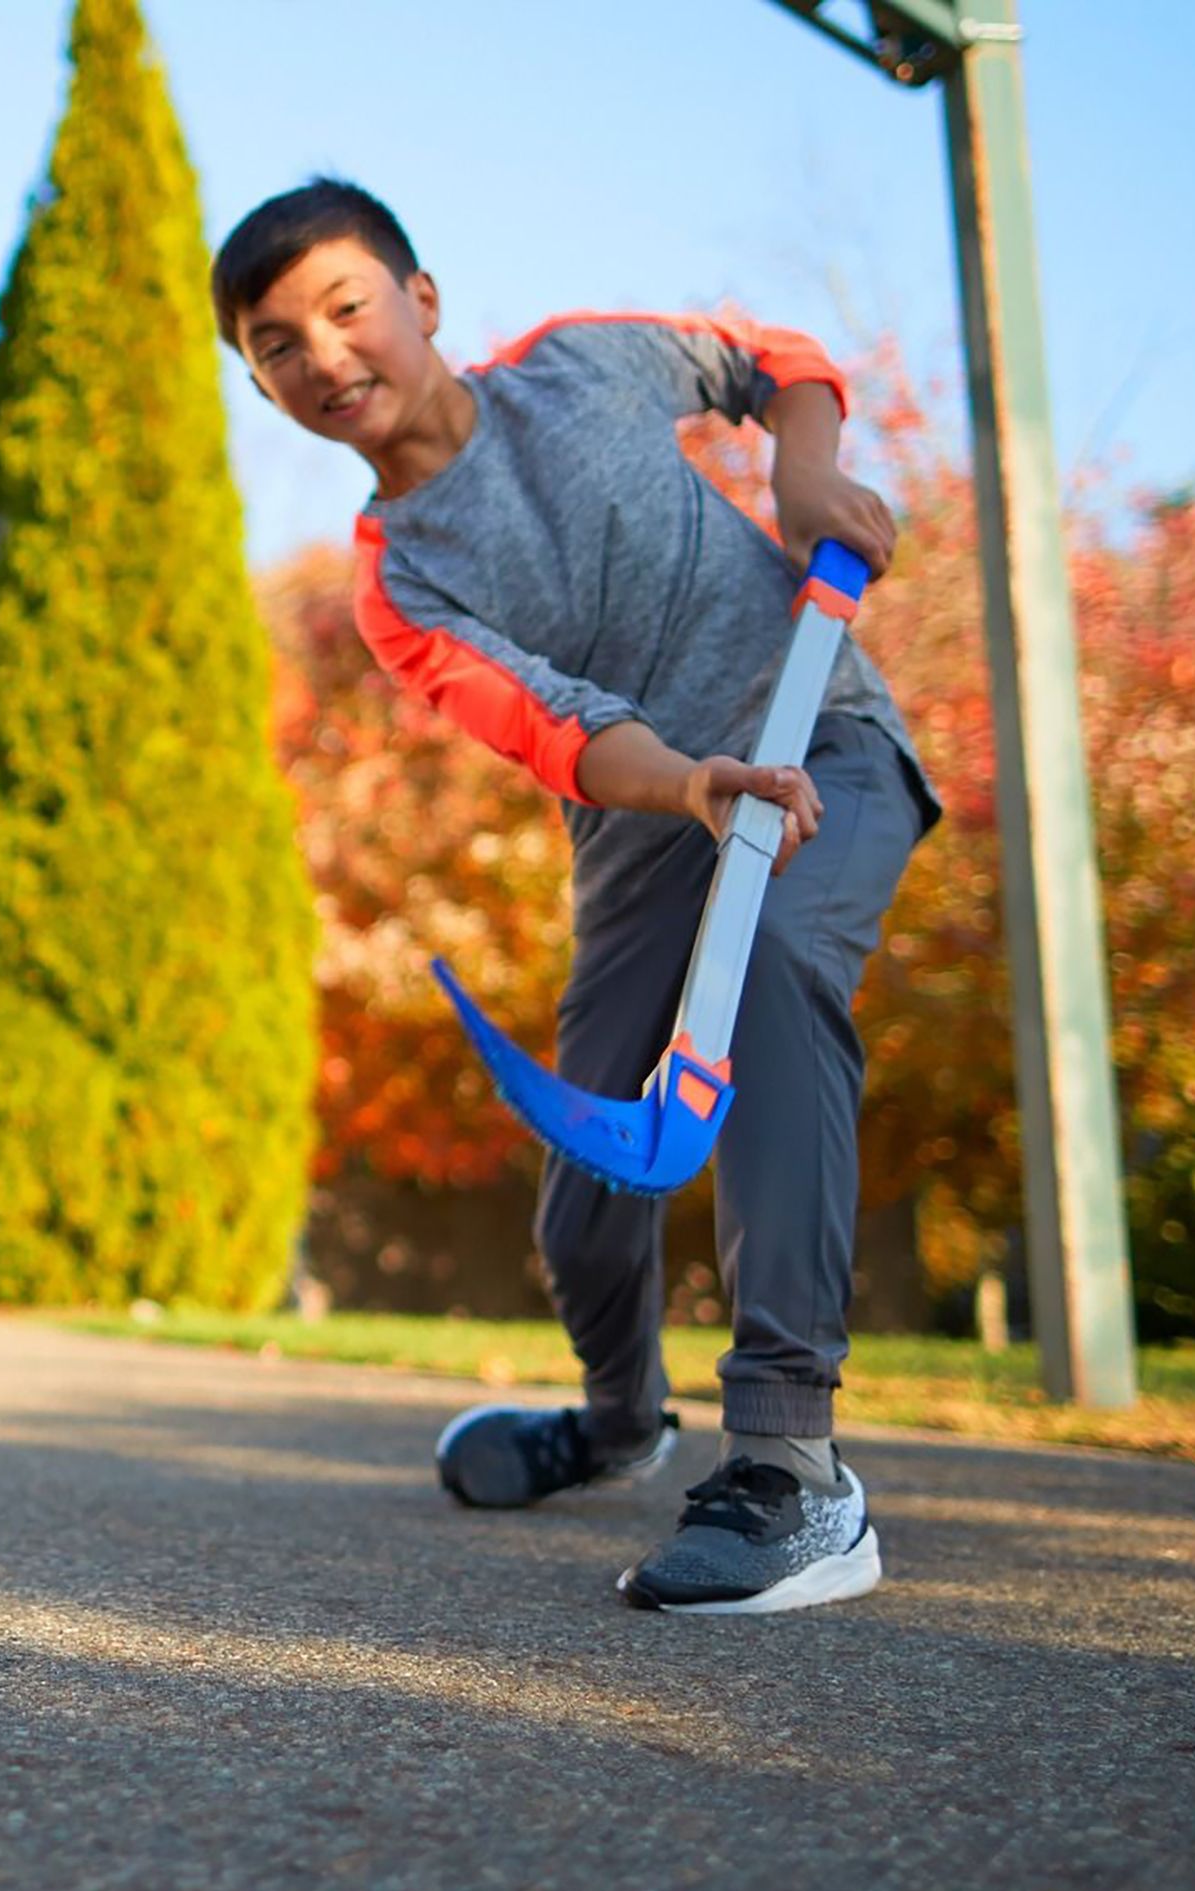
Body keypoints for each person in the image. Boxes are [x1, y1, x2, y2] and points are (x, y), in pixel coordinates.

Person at [211, 179, 941, 1615]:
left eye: (346, 307)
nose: (323, 356)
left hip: (826, 743)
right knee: (592, 1196)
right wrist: (692, 788)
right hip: (656, 823)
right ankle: (619, 1425)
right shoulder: (399, 586)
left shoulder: (575, 362)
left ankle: (795, 1471)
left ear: (422, 302)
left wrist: (803, 475)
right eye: (276, 345)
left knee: (781, 972)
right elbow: (553, 723)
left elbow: (775, 355)